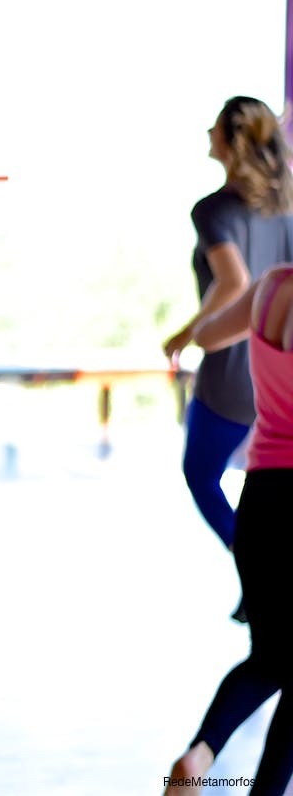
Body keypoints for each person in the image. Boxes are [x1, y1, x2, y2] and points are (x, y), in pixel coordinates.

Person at [163, 96, 293, 623]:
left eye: (213, 127)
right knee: (269, 481)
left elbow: (233, 282)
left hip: (235, 366)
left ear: (230, 141)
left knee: (200, 471)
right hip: (279, 364)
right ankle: (269, 575)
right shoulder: (285, 205)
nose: (206, 133)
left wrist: (187, 334)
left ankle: (257, 571)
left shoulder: (214, 209)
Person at [164, 264, 293, 795]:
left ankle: (201, 753)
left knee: (274, 657)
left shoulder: (272, 285)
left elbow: (209, 333)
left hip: (262, 499)